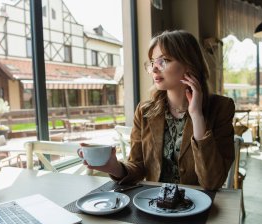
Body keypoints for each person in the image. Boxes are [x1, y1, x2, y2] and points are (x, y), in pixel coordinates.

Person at [81, 30, 235, 190]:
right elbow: (138, 167)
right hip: (153, 205)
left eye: (164, 60)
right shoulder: (145, 111)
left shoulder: (221, 108)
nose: (154, 69)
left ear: (190, 63)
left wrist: (197, 116)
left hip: (199, 207)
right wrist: (113, 167)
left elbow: (212, 183)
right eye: (153, 62)